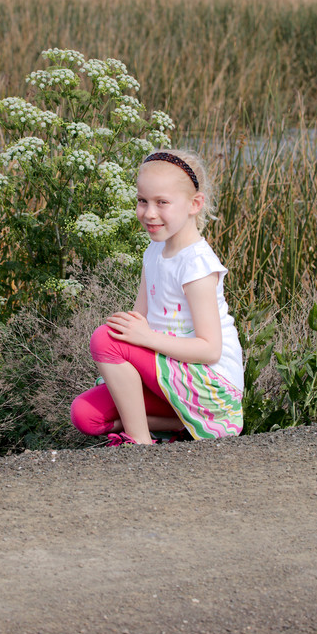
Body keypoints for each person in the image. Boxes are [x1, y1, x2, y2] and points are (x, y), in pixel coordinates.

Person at [70, 149, 244, 445]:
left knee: (104, 339)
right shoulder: (153, 252)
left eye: (162, 202)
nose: (149, 213)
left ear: (194, 204)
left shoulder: (196, 265)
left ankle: (140, 442)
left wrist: (142, 338)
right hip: (168, 371)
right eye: (142, 201)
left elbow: (209, 350)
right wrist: (132, 332)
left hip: (211, 385)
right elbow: (140, 320)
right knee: (84, 414)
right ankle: (182, 424)